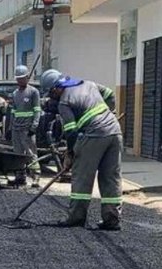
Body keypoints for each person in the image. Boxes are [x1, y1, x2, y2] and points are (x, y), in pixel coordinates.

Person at [41, 69, 123, 230]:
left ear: (56, 88)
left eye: (51, 93)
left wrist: (70, 154)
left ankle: (76, 217)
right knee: (110, 177)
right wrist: (109, 113)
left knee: (82, 177)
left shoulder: (64, 101)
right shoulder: (88, 83)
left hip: (94, 135)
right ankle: (112, 219)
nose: (52, 97)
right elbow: (110, 94)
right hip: (114, 132)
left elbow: (71, 132)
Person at [11, 65, 42, 187]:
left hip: (27, 128)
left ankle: (36, 177)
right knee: (17, 153)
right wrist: (10, 127)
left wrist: (34, 127)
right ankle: (20, 177)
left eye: (22, 78)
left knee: (30, 153)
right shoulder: (14, 93)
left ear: (27, 78)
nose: (19, 81)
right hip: (16, 128)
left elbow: (37, 110)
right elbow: (13, 111)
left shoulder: (33, 92)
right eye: (18, 78)